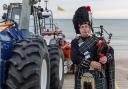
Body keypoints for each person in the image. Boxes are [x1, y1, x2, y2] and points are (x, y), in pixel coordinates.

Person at [71, 6, 115, 89]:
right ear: (79, 29)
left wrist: (106, 58)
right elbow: (74, 58)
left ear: (90, 27)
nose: (84, 29)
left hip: (98, 75)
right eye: (82, 27)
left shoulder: (99, 39)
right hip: (82, 76)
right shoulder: (75, 42)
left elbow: (110, 51)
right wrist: (90, 63)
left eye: (86, 26)